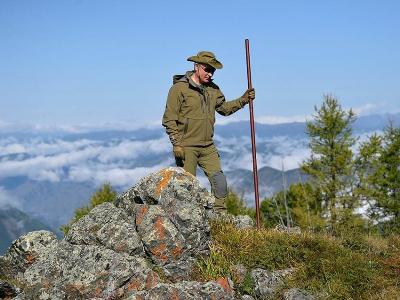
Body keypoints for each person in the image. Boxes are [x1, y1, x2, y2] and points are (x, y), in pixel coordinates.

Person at [162, 51, 255, 210]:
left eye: (213, 70)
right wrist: (177, 144)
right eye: (207, 69)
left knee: (220, 182)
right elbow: (169, 119)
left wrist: (243, 100)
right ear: (196, 67)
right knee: (186, 188)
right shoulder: (179, 89)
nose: (210, 74)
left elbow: (224, 109)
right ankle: (187, 220)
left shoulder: (213, 89)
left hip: (207, 146)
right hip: (186, 146)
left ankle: (220, 218)